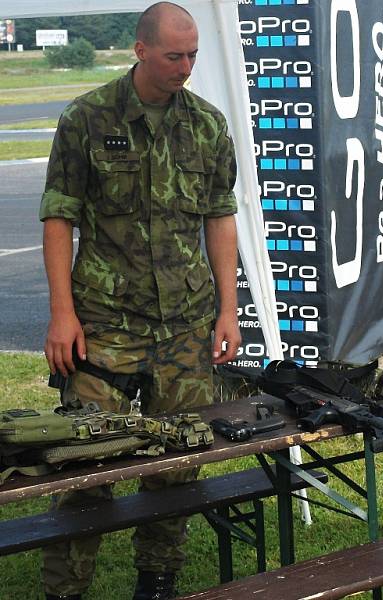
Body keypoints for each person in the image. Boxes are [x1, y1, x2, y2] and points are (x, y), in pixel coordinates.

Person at [39, 3, 241, 599]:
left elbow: (219, 217)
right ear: (141, 49)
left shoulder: (206, 125)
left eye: (194, 55)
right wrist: (61, 312)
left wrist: (228, 309)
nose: (186, 66)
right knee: (83, 464)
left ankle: (158, 580)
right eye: (175, 55)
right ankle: (65, 589)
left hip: (184, 324)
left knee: (177, 463)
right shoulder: (88, 118)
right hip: (102, 324)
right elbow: (59, 216)